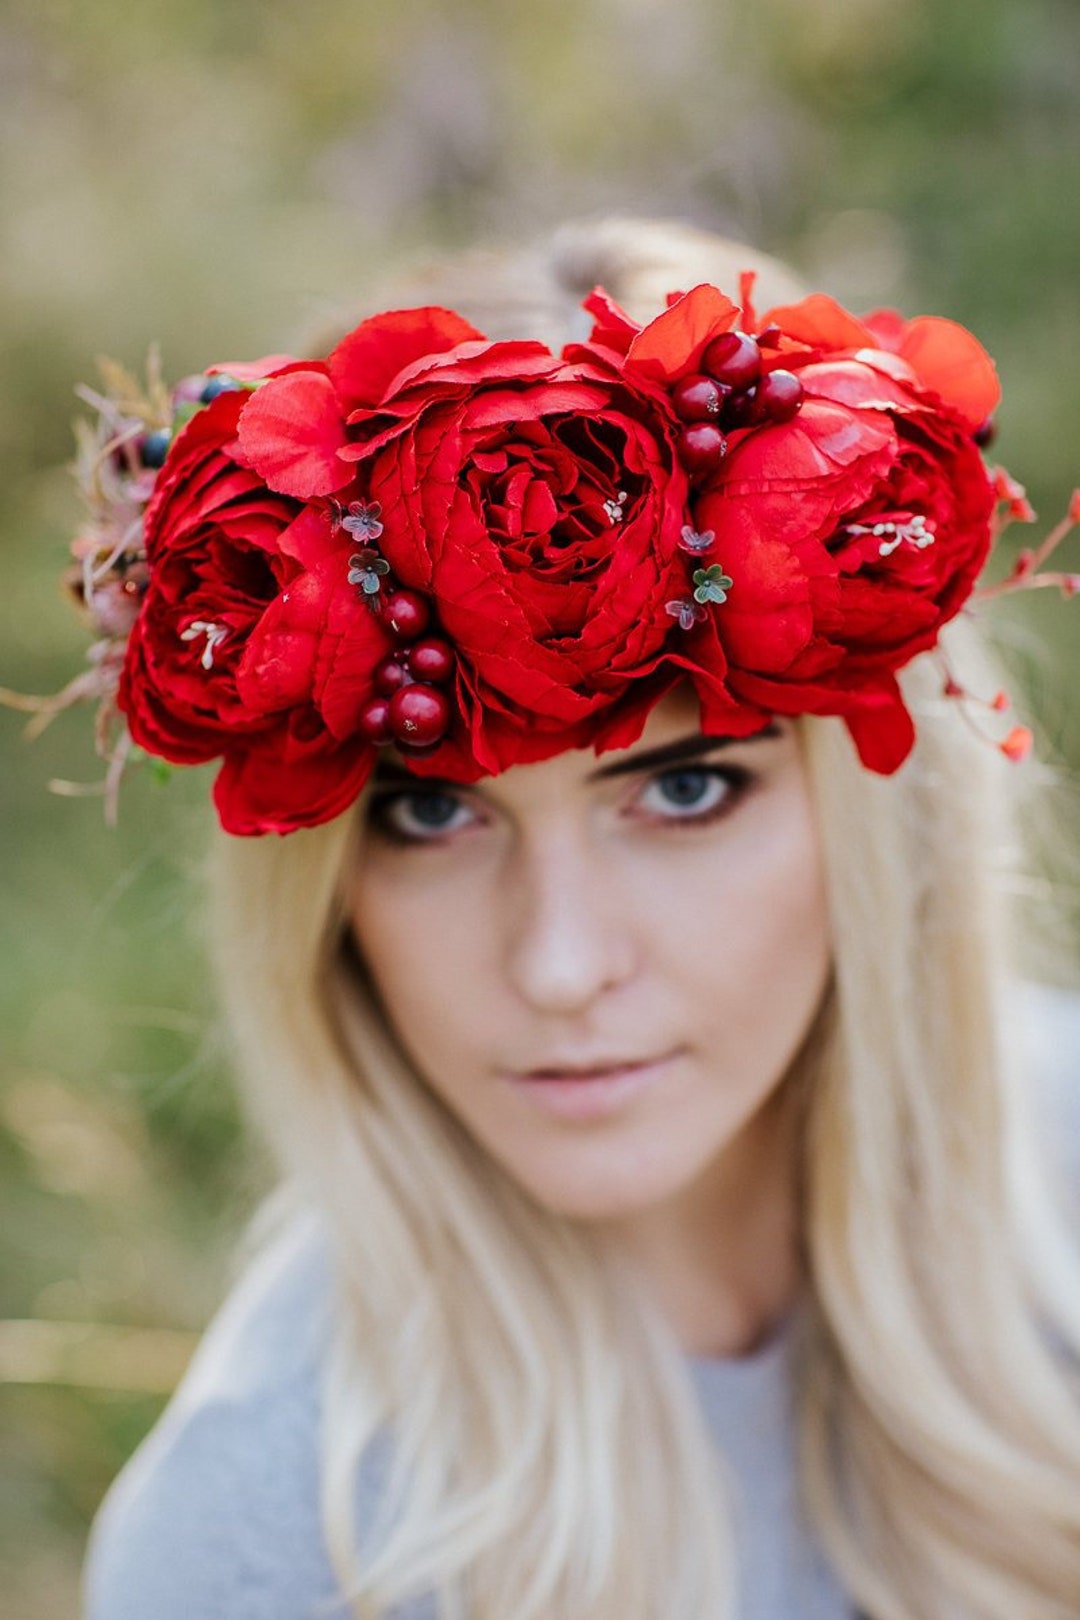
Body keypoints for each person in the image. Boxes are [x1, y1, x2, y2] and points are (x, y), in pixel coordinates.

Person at [39, 218, 1080, 1618]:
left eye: (690, 786)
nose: (562, 965)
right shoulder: (283, 1534)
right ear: (326, 886)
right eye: (432, 815)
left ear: (876, 822)